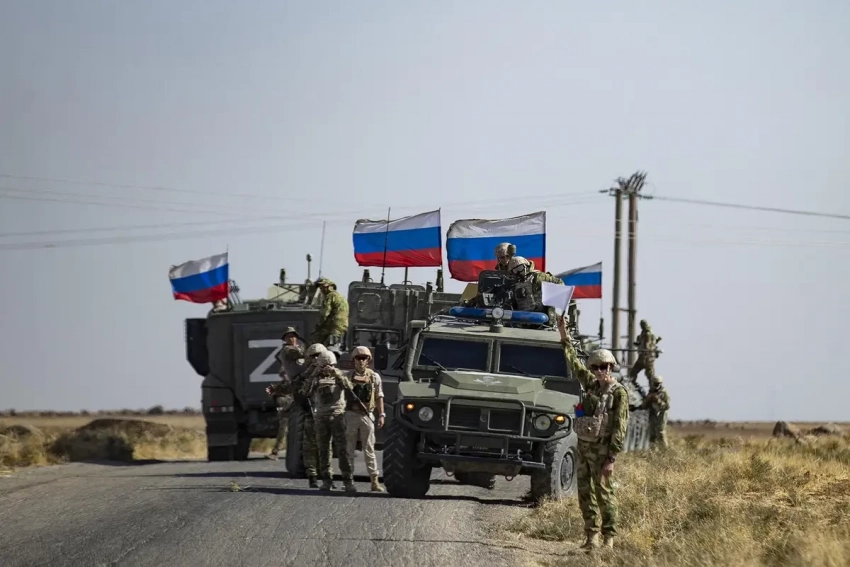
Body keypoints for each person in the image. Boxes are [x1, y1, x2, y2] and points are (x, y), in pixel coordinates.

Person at [557, 315, 629, 551]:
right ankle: (591, 537)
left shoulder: (618, 393)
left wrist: (611, 458)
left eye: (604, 367)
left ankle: (609, 539)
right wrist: (563, 333)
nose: (599, 371)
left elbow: (620, 426)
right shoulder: (590, 385)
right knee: (585, 493)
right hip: (584, 448)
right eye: (595, 367)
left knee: (604, 494)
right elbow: (573, 362)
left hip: (602, 452)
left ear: (611, 367)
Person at [307, 350, 356, 492]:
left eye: (330, 365)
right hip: (321, 417)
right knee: (323, 451)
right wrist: (314, 374)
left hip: (337, 416)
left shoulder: (340, 375)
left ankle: (348, 481)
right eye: (324, 365)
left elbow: (349, 387)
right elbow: (305, 392)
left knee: (343, 450)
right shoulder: (315, 378)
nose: (327, 368)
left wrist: (336, 373)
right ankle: (326, 480)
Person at [344, 346, 386, 492]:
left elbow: (379, 396)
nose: (361, 361)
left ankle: (374, 481)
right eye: (358, 358)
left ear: (369, 360)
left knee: (369, 449)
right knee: (349, 449)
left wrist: (382, 414)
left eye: (364, 358)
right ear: (354, 360)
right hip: (351, 415)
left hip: (367, 414)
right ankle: (348, 481)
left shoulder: (374, 377)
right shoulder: (347, 377)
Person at [265, 327, 306, 460]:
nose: (292, 339)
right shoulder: (288, 351)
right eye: (289, 337)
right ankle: (276, 451)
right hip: (291, 393)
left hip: (298, 390)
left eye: (293, 336)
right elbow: (301, 354)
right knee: (284, 424)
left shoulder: (296, 351)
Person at [293, 342, 329, 487]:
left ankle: (326, 476)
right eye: (312, 356)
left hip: (327, 415)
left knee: (326, 447)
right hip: (311, 414)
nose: (315, 359)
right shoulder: (305, 375)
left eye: (318, 356)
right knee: (310, 447)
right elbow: (296, 390)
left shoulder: (331, 371)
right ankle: (312, 476)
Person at [310, 277, 349, 347]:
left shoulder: (330, 296)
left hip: (332, 327)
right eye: (320, 288)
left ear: (330, 286)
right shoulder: (341, 296)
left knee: (314, 342)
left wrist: (317, 327)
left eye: (323, 287)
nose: (322, 290)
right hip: (343, 327)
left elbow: (324, 314)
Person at [641, 376, 670, 448]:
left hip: (662, 414)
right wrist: (648, 399)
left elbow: (667, 406)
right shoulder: (650, 392)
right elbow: (644, 406)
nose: (656, 385)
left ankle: (664, 449)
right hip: (653, 414)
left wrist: (658, 401)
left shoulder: (664, 392)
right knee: (652, 433)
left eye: (657, 384)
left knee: (661, 432)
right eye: (655, 383)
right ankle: (653, 450)